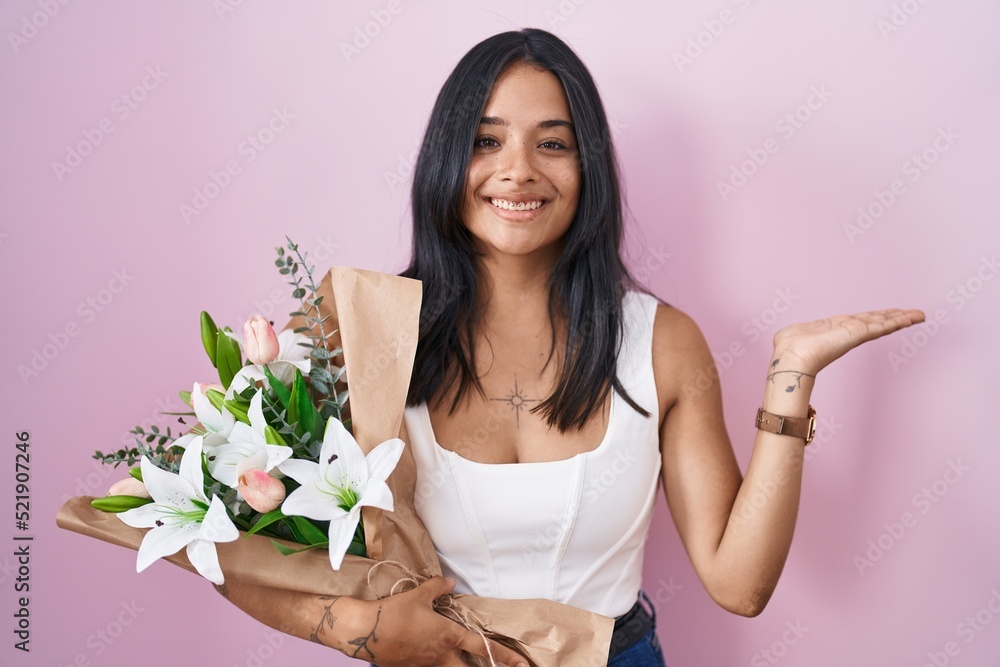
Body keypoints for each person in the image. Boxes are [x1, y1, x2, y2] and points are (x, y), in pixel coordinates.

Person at [215, 28, 924, 666]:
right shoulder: (357, 329)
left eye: (552, 143)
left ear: (588, 169)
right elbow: (216, 531)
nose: (518, 170)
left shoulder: (663, 342)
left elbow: (739, 585)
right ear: (444, 158)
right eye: (486, 140)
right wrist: (355, 631)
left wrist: (791, 377)